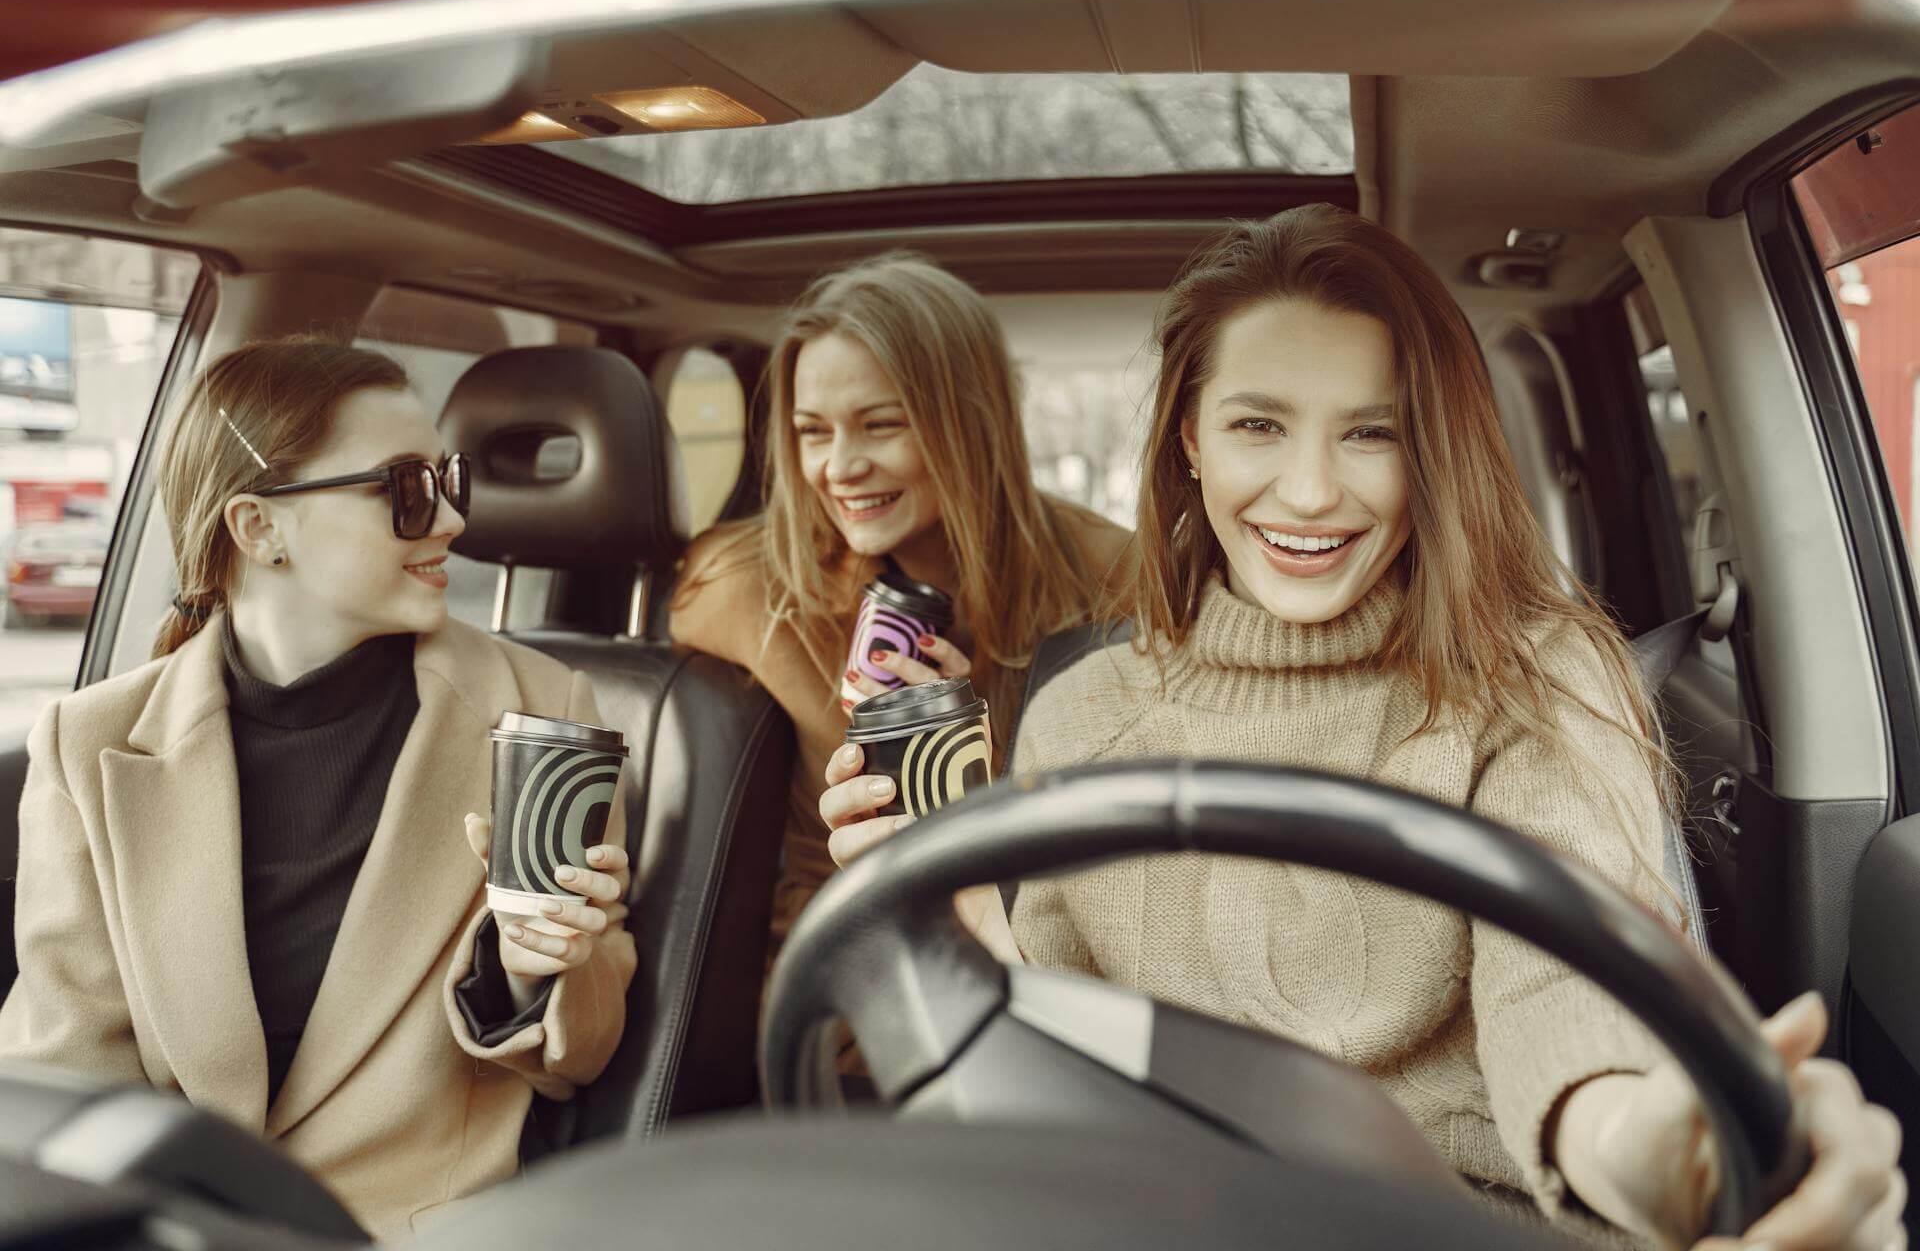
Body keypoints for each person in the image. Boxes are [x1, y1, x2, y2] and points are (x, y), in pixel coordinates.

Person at [820, 207, 1906, 1249]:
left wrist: (1675, 1151)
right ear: (1189, 437)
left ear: (1428, 449)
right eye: (1258, 424)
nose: (1309, 491)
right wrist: (961, 933)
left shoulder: (1532, 683)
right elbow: (1055, 1092)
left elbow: (1570, 1019)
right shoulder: (1080, 715)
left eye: (1372, 432)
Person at [0, 339, 637, 1239]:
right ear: (259, 529)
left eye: (448, 480)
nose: (452, 519)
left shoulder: (538, 711)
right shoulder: (89, 742)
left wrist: (536, 973)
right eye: (407, 490)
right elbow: (65, 1071)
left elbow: (582, 1057)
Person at [671, 252, 1129, 949]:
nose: (840, 467)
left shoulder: (1111, 579)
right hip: (845, 973)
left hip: (1047, 959)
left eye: (881, 424)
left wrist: (984, 765)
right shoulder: (748, 588)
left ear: (969, 423)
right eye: (813, 431)